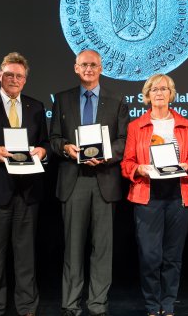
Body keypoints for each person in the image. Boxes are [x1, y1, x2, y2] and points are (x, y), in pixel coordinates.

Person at [49, 49, 129, 316]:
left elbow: (123, 141)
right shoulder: (61, 99)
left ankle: (97, 305)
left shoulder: (117, 100)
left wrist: (106, 155)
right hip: (74, 180)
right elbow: (54, 139)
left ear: (101, 67)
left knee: (102, 249)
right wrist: (67, 149)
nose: (89, 69)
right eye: (84, 64)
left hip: (104, 180)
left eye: (93, 65)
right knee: (72, 248)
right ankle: (71, 305)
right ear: (75, 67)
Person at [0, 52, 49, 316]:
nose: (14, 79)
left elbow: (45, 142)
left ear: (25, 80)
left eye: (20, 76)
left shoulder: (35, 107)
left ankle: (27, 308)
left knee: (26, 257)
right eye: (10, 74)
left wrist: (43, 152)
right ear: (0, 76)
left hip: (27, 194)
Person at [120, 74, 188, 316]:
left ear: (171, 94)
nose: (159, 93)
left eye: (164, 89)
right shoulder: (135, 127)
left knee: (173, 256)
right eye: (154, 89)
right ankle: (151, 305)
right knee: (149, 255)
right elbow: (127, 163)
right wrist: (138, 169)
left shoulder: (187, 125)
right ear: (147, 95)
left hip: (179, 195)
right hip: (147, 196)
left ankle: (167, 305)